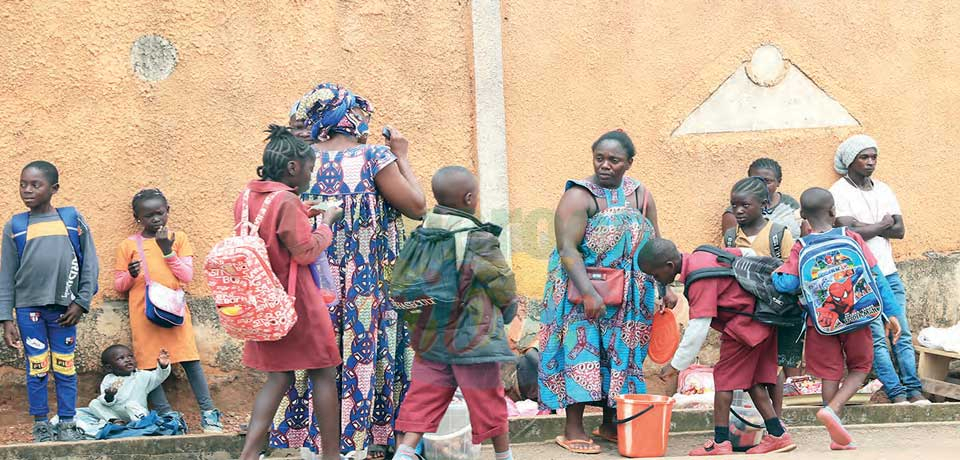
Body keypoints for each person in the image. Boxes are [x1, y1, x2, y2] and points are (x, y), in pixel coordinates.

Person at [277, 83, 427, 459]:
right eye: (359, 115)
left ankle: (310, 442)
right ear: (348, 118)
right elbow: (417, 207)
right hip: (367, 284)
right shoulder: (373, 157)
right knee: (367, 353)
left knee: (317, 358)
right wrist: (402, 155)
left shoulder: (301, 161)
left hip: (314, 281)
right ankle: (370, 439)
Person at [538, 130, 675, 455]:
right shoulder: (579, 195)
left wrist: (664, 286)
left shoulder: (641, 194)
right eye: (599, 158)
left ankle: (613, 424)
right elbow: (567, 248)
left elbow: (656, 245)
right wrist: (588, 293)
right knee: (580, 354)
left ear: (629, 162)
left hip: (630, 296)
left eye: (613, 160)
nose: (605, 165)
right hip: (581, 292)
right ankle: (573, 429)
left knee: (624, 356)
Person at [393, 166, 517, 460]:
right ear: (470, 198)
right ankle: (504, 456)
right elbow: (502, 283)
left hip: (430, 337)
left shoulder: (423, 233)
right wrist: (508, 311)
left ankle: (405, 452)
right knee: (488, 400)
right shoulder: (477, 238)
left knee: (424, 397)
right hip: (472, 340)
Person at [236, 126, 343, 460]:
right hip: (297, 303)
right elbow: (306, 252)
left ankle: (249, 455)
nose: (310, 175)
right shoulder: (286, 200)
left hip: (263, 303)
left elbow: (270, 234)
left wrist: (301, 210)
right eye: (309, 168)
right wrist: (326, 222)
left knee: (278, 377)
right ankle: (331, 455)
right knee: (323, 372)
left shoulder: (247, 196)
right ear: (294, 167)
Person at [772, 187, 903, 450]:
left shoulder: (801, 246)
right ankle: (834, 410)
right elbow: (876, 276)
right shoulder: (851, 237)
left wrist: (776, 273)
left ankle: (834, 431)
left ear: (803, 217)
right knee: (859, 368)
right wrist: (892, 314)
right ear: (833, 212)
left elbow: (787, 284)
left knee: (830, 374)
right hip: (859, 316)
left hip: (822, 323)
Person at [640, 238, 796, 456]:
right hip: (764, 316)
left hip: (743, 326)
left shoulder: (699, 279)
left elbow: (698, 329)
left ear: (669, 267)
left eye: (656, 276)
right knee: (753, 381)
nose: (656, 280)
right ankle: (778, 435)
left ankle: (721, 442)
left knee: (724, 379)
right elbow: (747, 253)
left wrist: (675, 366)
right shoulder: (702, 254)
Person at [0, 161, 99, 442]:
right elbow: (6, 274)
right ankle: (41, 423)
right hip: (29, 310)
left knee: (66, 366)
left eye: (35, 184)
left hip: (65, 309)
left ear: (53, 189)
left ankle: (67, 422)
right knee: (38, 366)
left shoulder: (71, 220)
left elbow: (89, 262)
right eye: (23, 184)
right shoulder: (15, 226)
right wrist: (6, 317)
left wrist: (81, 302)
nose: (27, 190)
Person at [829, 135, 929, 405]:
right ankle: (896, 394)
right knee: (877, 338)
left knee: (902, 333)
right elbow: (849, 233)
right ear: (850, 160)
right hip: (859, 278)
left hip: (889, 273)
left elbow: (899, 230)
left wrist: (869, 226)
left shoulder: (883, 189)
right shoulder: (839, 192)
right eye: (864, 157)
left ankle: (914, 390)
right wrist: (882, 224)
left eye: (874, 157)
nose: (871, 162)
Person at [113, 188, 223, 432]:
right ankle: (167, 415)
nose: (155, 219)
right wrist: (130, 276)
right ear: (137, 217)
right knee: (149, 365)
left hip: (174, 311)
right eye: (148, 215)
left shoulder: (178, 238)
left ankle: (208, 411)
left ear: (167, 212)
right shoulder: (128, 245)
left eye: (160, 213)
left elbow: (186, 276)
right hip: (144, 314)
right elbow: (119, 285)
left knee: (190, 360)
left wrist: (167, 250)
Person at [721, 176, 800, 418]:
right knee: (752, 370)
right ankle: (755, 420)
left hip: (775, 313)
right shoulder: (731, 237)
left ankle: (776, 420)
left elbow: (791, 270)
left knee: (773, 368)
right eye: (734, 206)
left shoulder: (778, 234)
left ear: (764, 204)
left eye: (745, 205)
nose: (739, 211)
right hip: (745, 314)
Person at [78, 345, 172, 434]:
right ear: (109, 367)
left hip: (135, 413)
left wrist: (163, 366)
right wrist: (109, 396)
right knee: (94, 403)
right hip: (117, 413)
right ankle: (115, 421)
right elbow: (106, 402)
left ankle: (140, 424)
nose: (127, 360)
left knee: (130, 405)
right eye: (121, 358)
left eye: (130, 356)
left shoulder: (142, 376)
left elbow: (158, 376)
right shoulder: (109, 379)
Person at [721, 158, 801, 238]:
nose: (761, 185)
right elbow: (731, 247)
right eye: (756, 180)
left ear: (778, 182)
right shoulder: (736, 213)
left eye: (767, 181)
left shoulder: (790, 204)